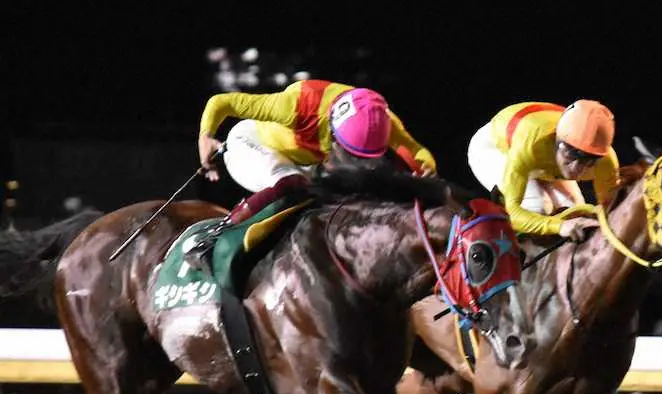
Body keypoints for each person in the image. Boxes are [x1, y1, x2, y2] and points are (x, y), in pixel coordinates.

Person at [185, 79, 437, 270]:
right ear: (334, 130)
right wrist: (205, 136)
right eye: (348, 150)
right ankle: (212, 240)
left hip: (301, 164)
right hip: (251, 145)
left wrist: (426, 168)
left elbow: (418, 152)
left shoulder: (380, 117)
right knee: (293, 184)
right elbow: (221, 102)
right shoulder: (298, 104)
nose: (353, 161)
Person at [466, 100, 619, 242]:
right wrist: (559, 226)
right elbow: (513, 214)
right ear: (556, 138)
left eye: (588, 160)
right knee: (537, 206)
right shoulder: (531, 144)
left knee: (577, 212)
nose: (576, 169)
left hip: (542, 158)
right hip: (495, 148)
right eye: (570, 154)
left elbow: (609, 210)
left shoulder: (606, 162)